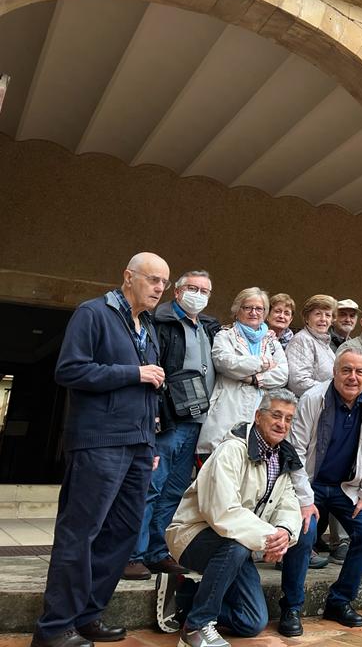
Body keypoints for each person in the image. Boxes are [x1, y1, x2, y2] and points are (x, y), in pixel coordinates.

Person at [33, 252, 169, 647]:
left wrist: (151, 436)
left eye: (164, 281)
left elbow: (150, 391)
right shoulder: (93, 313)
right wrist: (134, 373)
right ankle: (56, 628)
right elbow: (69, 370)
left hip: (139, 445)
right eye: (152, 279)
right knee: (81, 533)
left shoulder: (148, 327)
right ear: (128, 277)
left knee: (123, 534)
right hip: (99, 443)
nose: (160, 287)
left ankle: (87, 616)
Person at [164, 390, 303, 647]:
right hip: (193, 535)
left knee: (252, 621)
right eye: (275, 415)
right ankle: (195, 627)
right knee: (237, 547)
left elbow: (288, 502)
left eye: (288, 419)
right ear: (258, 416)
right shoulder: (231, 450)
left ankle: (183, 594)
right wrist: (269, 538)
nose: (281, 424)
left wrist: (284, 531)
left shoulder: (281, 456)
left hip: (236, 543)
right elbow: (222, 511)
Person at [276, 347, 362, 635]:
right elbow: (296, 451)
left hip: (345, 488)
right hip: (310, 483)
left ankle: (340, 600)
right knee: (304, 532)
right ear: (334, 373)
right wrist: (303, 500)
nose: (353, 377)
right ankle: (292, 606)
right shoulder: (314, 398)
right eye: (346, 370)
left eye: (360, 371)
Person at [125, 270, 220, 581]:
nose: (199, 294)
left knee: (173, 490)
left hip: (196, 422)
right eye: (192, 288)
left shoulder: (206, 326)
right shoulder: (161, 322)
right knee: (150, 487)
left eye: (204, 290)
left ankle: (156, 551)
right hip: (167, 421)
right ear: (177, 292)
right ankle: (132, 554)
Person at [197, 288, 289, 456]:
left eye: (259, 308)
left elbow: (282, 375)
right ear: (237, 310)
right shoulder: (225, 335)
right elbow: (225, 363)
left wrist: (253, 379)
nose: (254, 312)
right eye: (248, 308)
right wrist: (263, 362)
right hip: (228, 409)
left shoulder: (271, 341)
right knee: (222, 461)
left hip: (260, 411)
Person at [286, 295, 337, 397]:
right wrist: (335, 391)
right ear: (307, 318)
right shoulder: (302, 340)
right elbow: (299, 383)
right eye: (318, 314)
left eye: (328, 315)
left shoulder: (323, 342)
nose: (323, 319)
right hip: (308, 407)